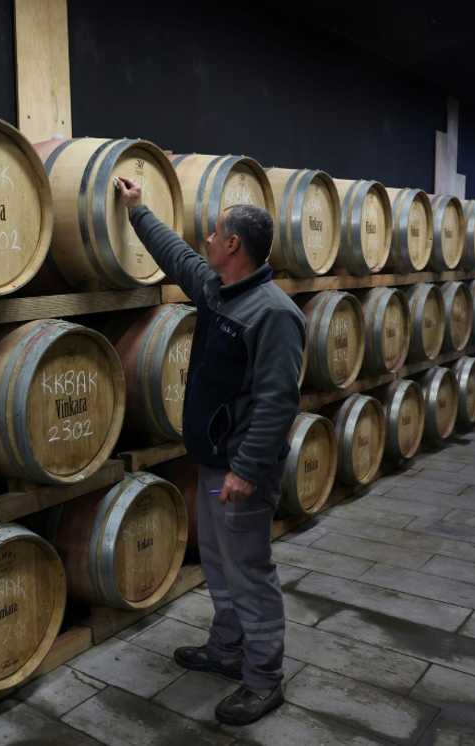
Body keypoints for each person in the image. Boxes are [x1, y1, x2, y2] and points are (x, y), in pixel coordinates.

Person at [115, 176, 305, 726]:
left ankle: (264, 678)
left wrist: (246, 469)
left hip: (241, 469)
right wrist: (137, 212)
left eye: (216, 231)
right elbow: (176, 257)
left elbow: (276, 402)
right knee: (220, 565)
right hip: (213, 458)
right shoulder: (221, 290)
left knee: (249, 570)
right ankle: (226, 651)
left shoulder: (272, 314)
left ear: (233, 247)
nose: (207, 235)